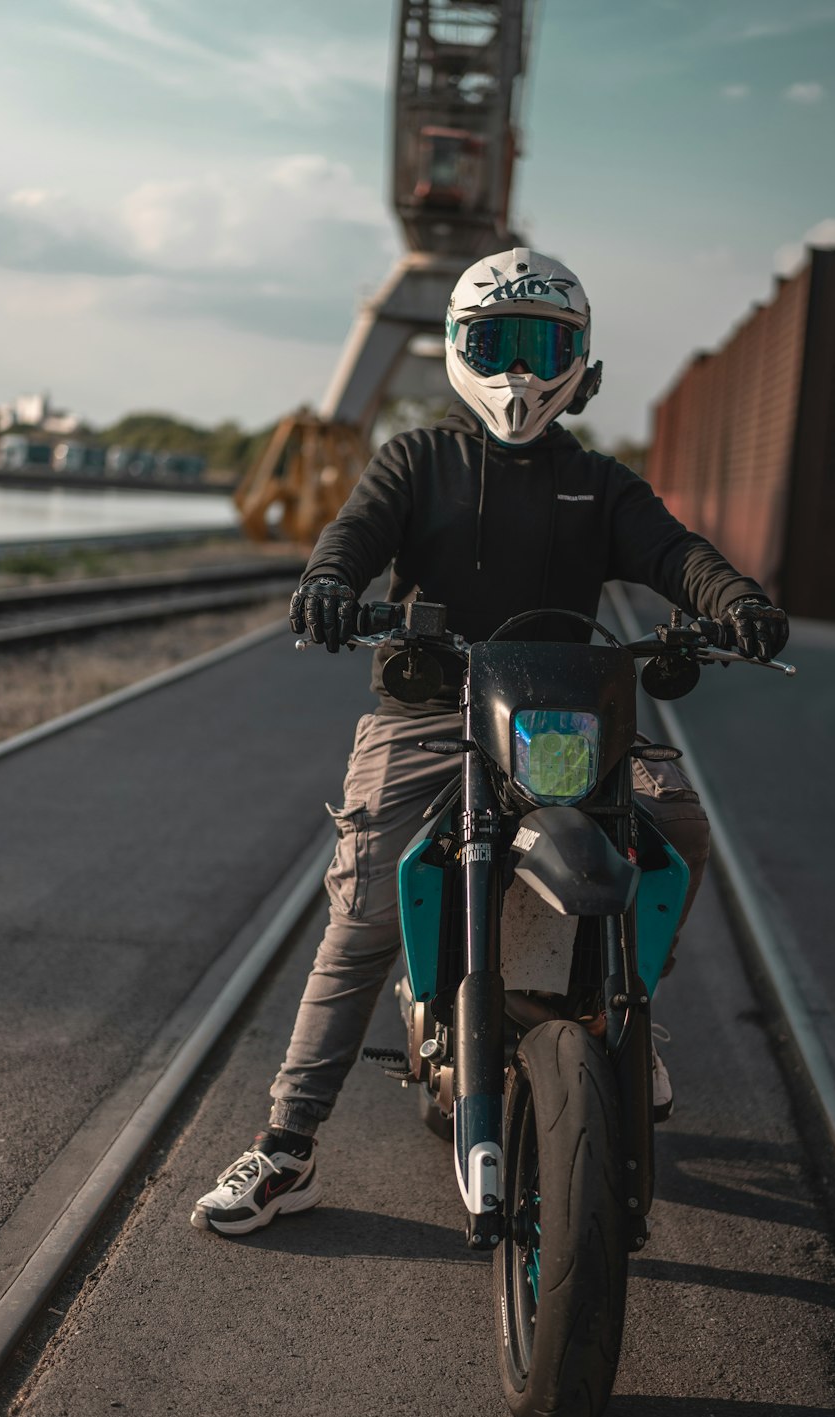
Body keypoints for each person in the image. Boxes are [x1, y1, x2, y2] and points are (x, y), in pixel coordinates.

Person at [192, 247, 789, 1235]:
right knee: (368, 905)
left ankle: (622, 1015)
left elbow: (672, 553)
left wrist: (733, 600)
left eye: (540, 344)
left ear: (578, 360)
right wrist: (331, 588)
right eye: (496, 342)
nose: (517, 369)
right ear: (459, 351)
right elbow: (352, 537)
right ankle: (288, 1145)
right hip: (428, 714)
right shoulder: (415, 461)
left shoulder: (600, 484)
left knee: (673, 824)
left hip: (562, 715)